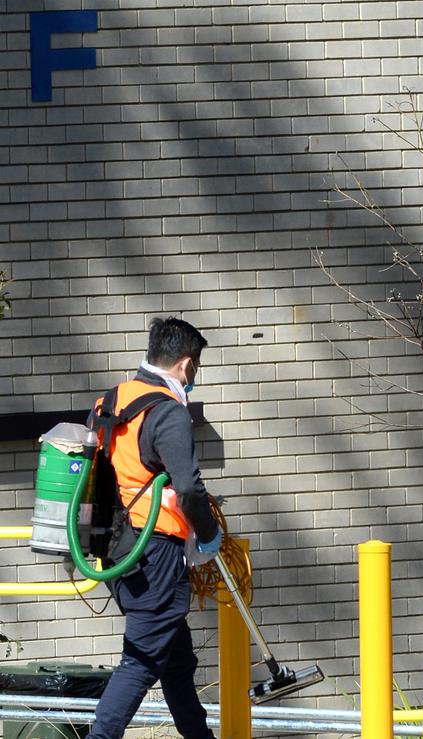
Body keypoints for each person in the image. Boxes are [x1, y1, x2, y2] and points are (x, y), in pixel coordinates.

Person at [86, 316, 222, 739]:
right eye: (195, 369)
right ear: (185, 365)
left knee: (177, 660)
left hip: (115, 549)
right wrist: (210, 533)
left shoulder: (110, 400)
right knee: (141, 662)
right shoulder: (167, 412)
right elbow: (189, 489)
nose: (193, 376)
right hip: (155, 551)